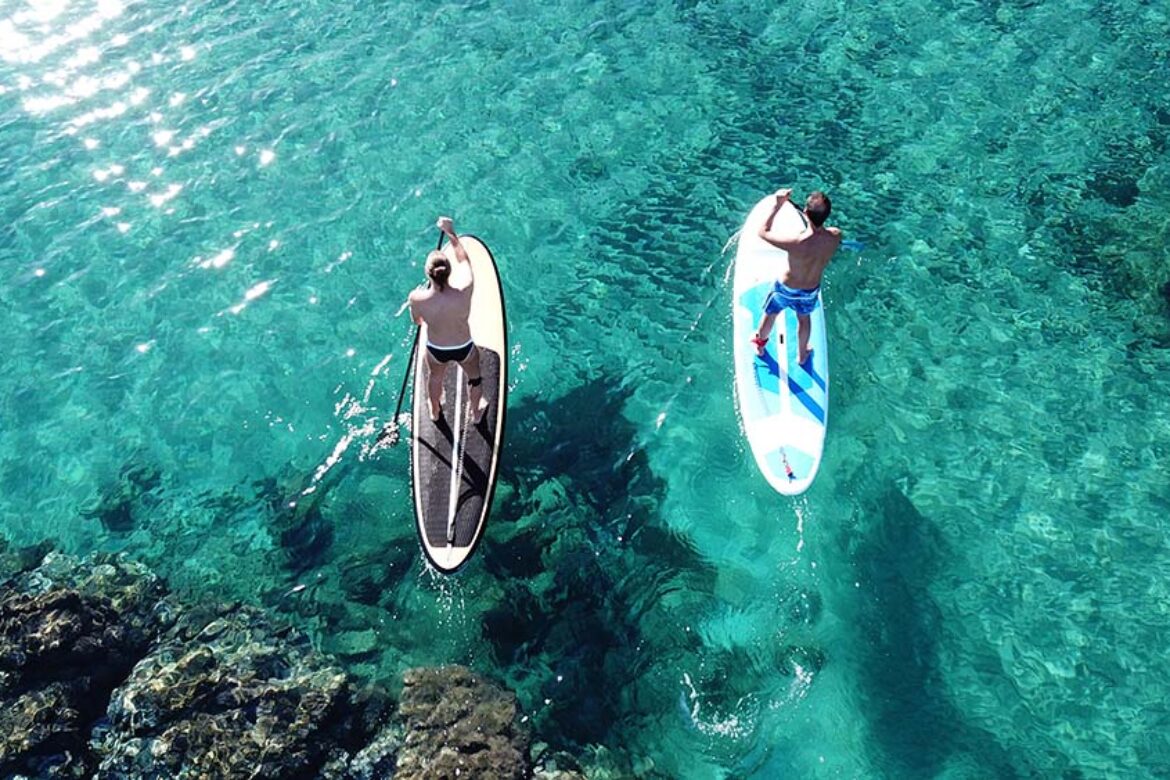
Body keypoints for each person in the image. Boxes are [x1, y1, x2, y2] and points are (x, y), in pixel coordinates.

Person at [408, 216, 489, 424]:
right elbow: (465, 260)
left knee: (435, 379)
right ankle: (476, 414)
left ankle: (435, 412)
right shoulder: (465, 290)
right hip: (464, 346)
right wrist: (451, 233)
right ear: (449, 272)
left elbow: (417, 322)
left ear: (429, 275)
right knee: (475, 378)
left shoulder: (417, 298)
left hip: (436, 349)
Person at [750, 188, 842, 366]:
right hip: (810, 290)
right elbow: (825, 234)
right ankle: (802, 355)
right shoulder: (836, 236)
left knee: (771, 313)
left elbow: (762, 232)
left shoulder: (796, 242)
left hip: (786, 288)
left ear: (805, 213)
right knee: (804, 319)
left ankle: (760, 345)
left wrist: (777, 205)